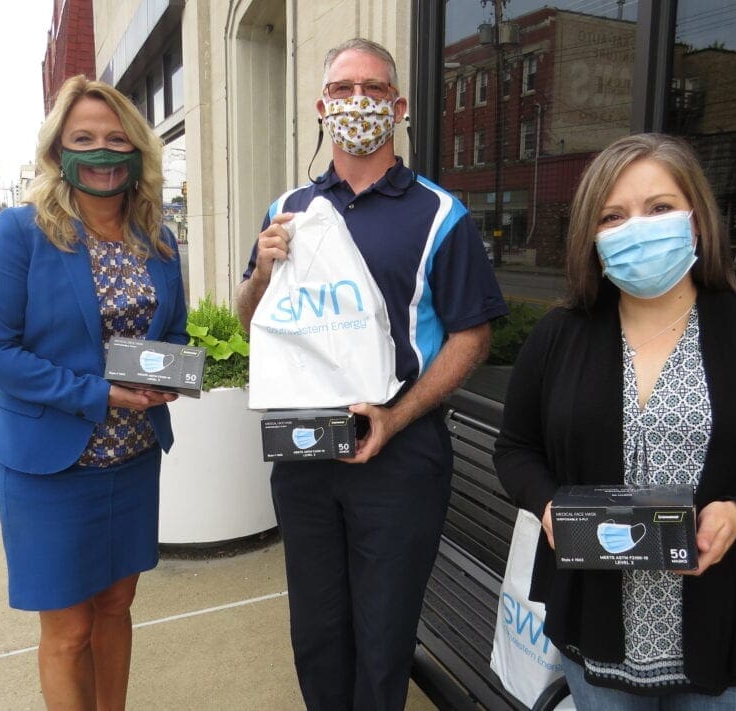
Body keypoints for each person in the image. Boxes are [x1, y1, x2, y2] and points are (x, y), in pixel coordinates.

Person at [493, 133, 736, 709]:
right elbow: (516, 450)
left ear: (696, 220)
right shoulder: (560, 335)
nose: (637, 228)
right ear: (591, 238)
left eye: (660, 208)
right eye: (612, 216)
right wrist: (548, 505)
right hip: (598, 638)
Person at [236, 38, 508, 710]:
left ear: (400, 105)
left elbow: (472, 335)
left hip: (399, 449)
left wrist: (398, 415)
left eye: (374, 88)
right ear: (322, 105)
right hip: (305, 450)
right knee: (318, 631)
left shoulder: (441, 214)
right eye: (344, 88)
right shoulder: (287, 210)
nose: (359, 101)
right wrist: (263, 272)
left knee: (383, 638)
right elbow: (252, 320)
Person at [0, 75, 187, 710]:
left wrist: (170, 377)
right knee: (69, 631)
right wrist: (99, 393)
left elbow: (169, 332)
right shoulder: (22, 232)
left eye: (117, 138)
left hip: (133, 456)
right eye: (83, 137)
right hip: (49, 465)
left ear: (137, 151)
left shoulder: (160, 240)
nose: (102, 152)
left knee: (117, 607)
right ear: (59, 151)